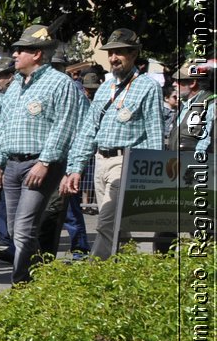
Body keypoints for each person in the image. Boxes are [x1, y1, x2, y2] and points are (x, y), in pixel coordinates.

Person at [0, 25, 84, 284]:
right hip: (12, 164)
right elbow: (3, 127)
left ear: (38, 54)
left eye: (21, 50)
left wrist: (44, 162)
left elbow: (64, 126)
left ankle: (21, 284)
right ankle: (43, 276)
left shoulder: (60, 83)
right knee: (12, 230)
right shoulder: (16, 85)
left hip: (39, 163)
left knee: (24, 228)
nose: (15, 54)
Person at [61, 28, 163, 258]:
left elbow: (155, 135)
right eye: (110, 53)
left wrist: (153, 178)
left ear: (134, 54)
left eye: (119, 52)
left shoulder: (149, 87)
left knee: (106, 221)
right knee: (119, 228)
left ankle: (95, 272)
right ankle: (124, 278)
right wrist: (75, 168)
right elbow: (88, 130)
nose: (113, 58)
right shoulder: (105, 88)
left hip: (126, 163)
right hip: (100, 161)